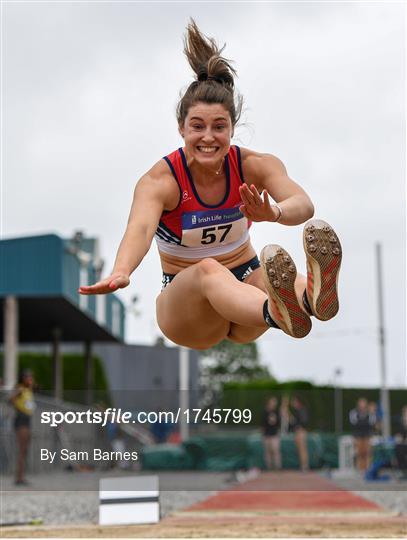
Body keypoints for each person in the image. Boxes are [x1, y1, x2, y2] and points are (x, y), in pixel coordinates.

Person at [79, 20, 342, 349]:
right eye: (197, 126)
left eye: (219, 126)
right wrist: (121, 269)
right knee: (208, 269)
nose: (208, 137)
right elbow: (140, 229)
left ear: (232, 128)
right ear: (181, 129)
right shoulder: (162, 180)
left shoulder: (253, 165)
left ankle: (310, 300)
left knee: (264, 277)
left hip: (246, 293)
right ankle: (280, 309)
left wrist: (272, 211)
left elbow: (303, 205)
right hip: (190, 309)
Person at [9, 369, 35, 485]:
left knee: (25, 450)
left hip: (27, 420)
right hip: (21, 420)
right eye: (28, 378)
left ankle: (21, 476)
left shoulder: (28, 390)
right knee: (22, 450)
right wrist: (17, 406)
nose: (30, 380)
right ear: (23, 378)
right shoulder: (20, 388)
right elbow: (10, 399)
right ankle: (18, 477)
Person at [349, 397, 376, 472]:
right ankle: (360, 469)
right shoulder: (354, 412)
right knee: (360, 453)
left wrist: (371, 412)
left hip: (367, 436)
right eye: (361, 403)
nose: (362, 405)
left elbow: (372, 423)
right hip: (358, 436)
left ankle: (368, 469)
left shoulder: (370, 413)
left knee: (368, 453)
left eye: (364, 403)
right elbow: (354, 424)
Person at [289, 395, 309, 471]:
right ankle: (302, 465)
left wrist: (299, 428)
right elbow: (293, 422)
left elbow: (303, 421)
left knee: (302, 449)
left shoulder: (302, 409)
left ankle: (304, 466)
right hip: (297, 431)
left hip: (301, 431)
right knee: (299, 449)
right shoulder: (296, 411)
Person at [262, 396, 282, 470]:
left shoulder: (276, 412)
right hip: (267, 434)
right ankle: (269, 467)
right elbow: (262, 424)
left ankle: (277, 466)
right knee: (267, 452)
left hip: (274, 434)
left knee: (275, 450)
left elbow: (279, 423)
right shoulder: (265, 412)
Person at [394, 405, 407, 479]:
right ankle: (402, 469)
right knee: (398, 448)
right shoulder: (401, 423)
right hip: (403, 444)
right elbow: (399, 434)